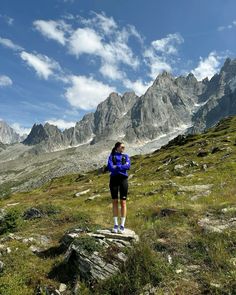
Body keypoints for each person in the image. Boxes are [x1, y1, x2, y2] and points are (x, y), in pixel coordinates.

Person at [107, 142, 131, 234]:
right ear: (117, 148)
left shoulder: (126, 156)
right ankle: (116, 225)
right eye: (122, 147)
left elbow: (128, 166)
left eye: (124, 147)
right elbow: (110, 167)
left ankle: (122, 225)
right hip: (113, 180)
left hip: (123, 180)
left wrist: (117, 166)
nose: (123, 148)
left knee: (123, 202)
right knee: (115, 201)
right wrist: (121, 167)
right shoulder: (111, 156)